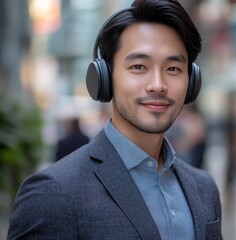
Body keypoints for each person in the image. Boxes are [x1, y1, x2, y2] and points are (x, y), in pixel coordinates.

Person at [7, 0, 222, 239]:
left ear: (191, 83)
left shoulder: (204, 189)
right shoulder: (52, 193)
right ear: (105, 78)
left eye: (173, 69)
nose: (158, 85)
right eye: (139, 66)